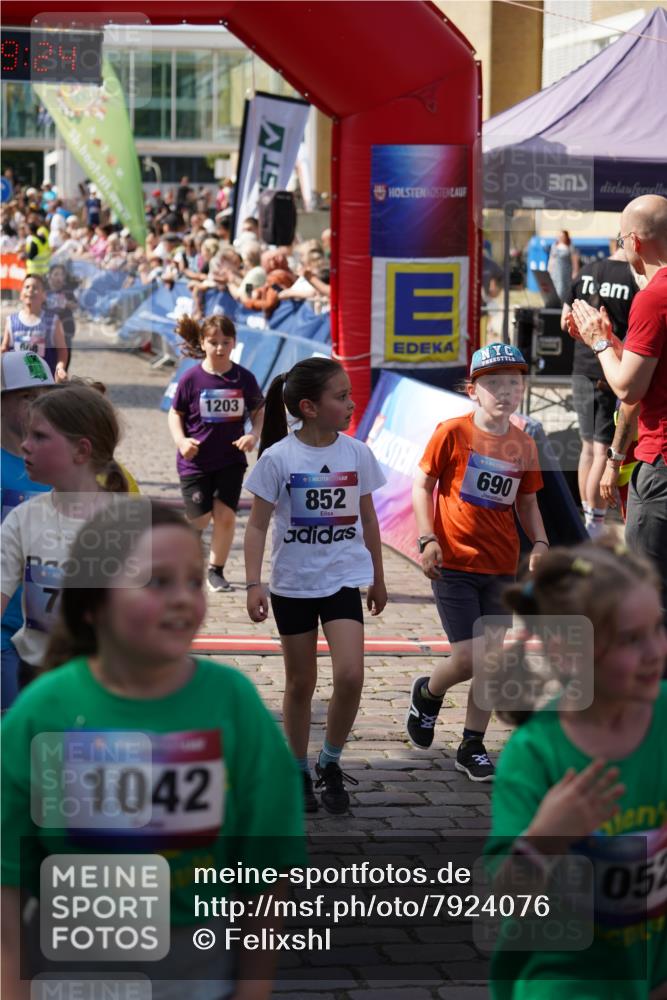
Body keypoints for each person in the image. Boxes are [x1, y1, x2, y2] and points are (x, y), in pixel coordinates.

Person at [1, 498, 305, 1000]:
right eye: (157, 582)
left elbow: (268, 873)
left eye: (192, 580)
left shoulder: (234, 705)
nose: (185, 598)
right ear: (94, 600)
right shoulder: (42, 714)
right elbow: (8, 882)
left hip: (196, 975)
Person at [487, 542, 667, 999]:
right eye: (630, 638)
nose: (654, 651)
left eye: (658, 628)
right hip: (561, 983)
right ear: (568, 653)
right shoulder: (536, 754)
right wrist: (545, 839)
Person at [244, 358, 387, 814]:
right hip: (293, 586)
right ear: (308, 407)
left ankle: (331, 760)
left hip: (342, 579)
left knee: (350, 675)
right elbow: (257, 526)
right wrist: (253, 584)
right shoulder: (278, 458)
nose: (350, 403)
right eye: (340, 396)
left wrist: (378, 577)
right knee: (300, 683)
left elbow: (368, 518)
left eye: (348, 394)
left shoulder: (356, 453)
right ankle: (297, 768)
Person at [407, 343, 546, 781]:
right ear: (473, 390)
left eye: (513, 382)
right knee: (469, 658)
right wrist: (427, 538)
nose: (505, 391)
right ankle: (428, 693)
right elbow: (421, 484)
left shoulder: (523, 443)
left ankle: (472, 744)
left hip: (501, 567)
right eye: (494, 383)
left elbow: (527, 503)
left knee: (491, 661)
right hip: (454, 565)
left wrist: (540, 542)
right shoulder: (452, 432)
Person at [569, 194, 667, 625]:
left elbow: (629, 386)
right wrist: (617, 343)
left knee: (648, 602)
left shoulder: (655, 295)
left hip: (660, 461)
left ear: (634, 241)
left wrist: (599, 342)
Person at [0, 383, 129, 684]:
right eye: (28, 434)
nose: (25, 445)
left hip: (107, 684)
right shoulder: (23, 518)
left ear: (81, 450)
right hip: (35, 678)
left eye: (40, 436)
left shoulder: (132, 525)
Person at [168, 314, 265, 593]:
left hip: (230, 460)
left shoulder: (243, 378)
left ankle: (215, 571)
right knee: (199, 517)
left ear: (234, 342)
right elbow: (176, 414)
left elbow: (259, 413)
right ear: (202, 342)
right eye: (213, 342)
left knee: (225, 516)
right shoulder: (191, 378)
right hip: (195, 461)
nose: (220, 348)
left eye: (226, 342)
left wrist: (253, 435)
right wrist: (181, 440)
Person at [561, 247, 638, 537]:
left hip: (581, 366)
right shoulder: (635, 276)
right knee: (601, 450)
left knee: (587, 447)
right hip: (610, 368)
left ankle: (588, 520)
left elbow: (564, 321)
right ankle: (593, 525)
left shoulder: (588, 270)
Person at [0, 352, 53, 709]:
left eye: (44, 397)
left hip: (52, 635)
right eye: (26, 397)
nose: (37, 407)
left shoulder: (62, 461)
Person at [1, 274, 68, 381]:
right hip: (17, 381)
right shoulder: (11, 321)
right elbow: (4, 349)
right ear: (21, 294)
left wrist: (60, 368)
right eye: (27, 287)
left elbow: (62, 351)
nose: (30, 290)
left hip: (44, 383)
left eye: (35, 287)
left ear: (44, 296)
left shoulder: (53, 321)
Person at [45, 264, 77, 370]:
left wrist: (65, 303)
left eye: (62, 275)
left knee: (63, 365)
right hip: (45, 332)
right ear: (49, 276)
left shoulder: (67, 290)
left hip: (65, 330)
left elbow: (75, 305)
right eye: (56, 274)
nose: (60, 277)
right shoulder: (43, 290)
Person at [547, 230, 579, 304]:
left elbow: (574, 261)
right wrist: (549, 269)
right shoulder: (554, 246)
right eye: (559, 236)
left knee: (564, 288)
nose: (560, 237)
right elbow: (552, 259)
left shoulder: (570, 247)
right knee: (555, 287)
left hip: (566, 272)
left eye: (562, 236)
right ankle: (556, 303)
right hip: (556, 271)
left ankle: (563, 303)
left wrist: (575, 272)